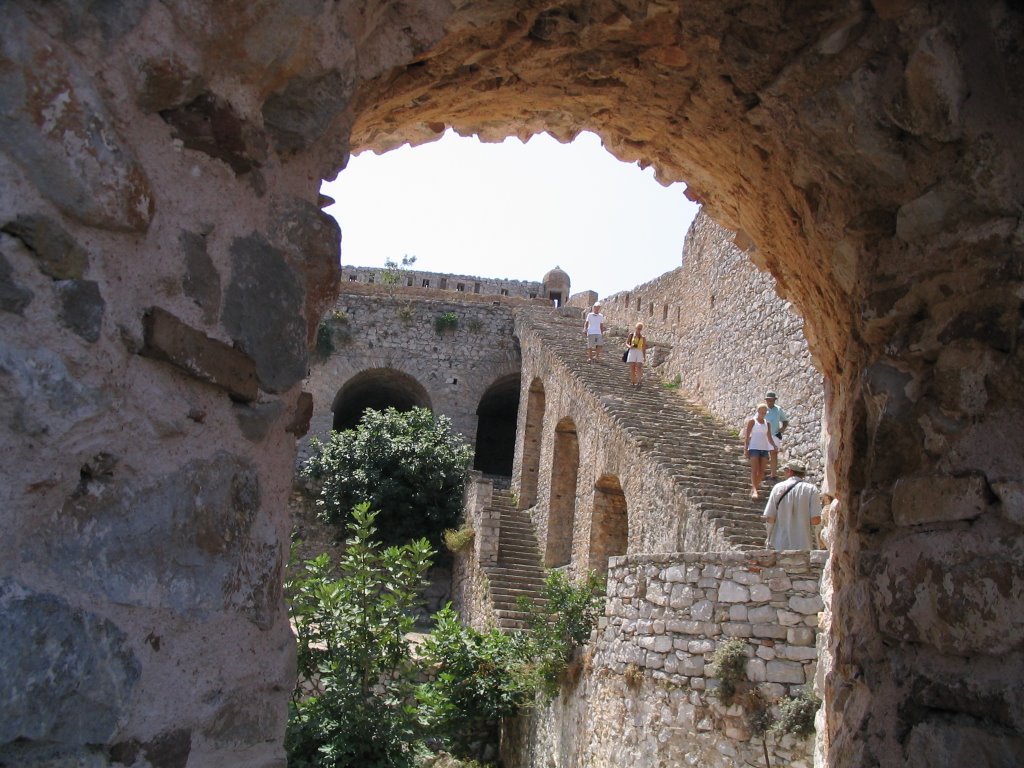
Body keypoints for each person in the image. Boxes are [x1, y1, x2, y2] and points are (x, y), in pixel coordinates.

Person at [763, 460, 821, 550]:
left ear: (790, 471)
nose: (784, 473)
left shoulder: (777, 488)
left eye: (785, 470)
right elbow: (815, 520)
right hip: (804, 545)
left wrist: (768, 537)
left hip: (779, 544)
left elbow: (770, 518)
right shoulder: (812, 489)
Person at [743, 402, 777, 499]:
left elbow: (769, 436)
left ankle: (755, 487)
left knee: (762, 471)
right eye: (761, 411)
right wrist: (745, 448)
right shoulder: (752, 422)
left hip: (764, 448)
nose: (763, 413)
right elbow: (747, 436)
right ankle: (754, 489)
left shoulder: (767, 423)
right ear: (758, 411)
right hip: (754, 447)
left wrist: (774, 445)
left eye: (765, 412)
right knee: (755, 469)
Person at [763, 390, 789, 479]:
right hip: (763, 435)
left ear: (774, 400)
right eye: (768, 400)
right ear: (766, 400)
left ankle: (773, 474)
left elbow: (785, 420)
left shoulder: (778, 409)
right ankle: (763, 472)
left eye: (772, 400)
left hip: (775, 434)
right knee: (763, 454)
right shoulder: (763, 409)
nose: (770, 402)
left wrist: (783, 428)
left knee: (774, 453)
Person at [625, 322, 647, 387]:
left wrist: (644, 356)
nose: (639, 330)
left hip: (639, 351)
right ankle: (633, 381)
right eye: (638, 328)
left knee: (639, 367)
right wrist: (629, 346)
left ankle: (639, 381)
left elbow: (644, 347)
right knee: (632, 367)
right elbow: (626, 343)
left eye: (640, 328)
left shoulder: (643, 337)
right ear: (635, 328)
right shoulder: (631, 335)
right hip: (632, 351)